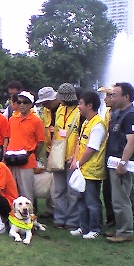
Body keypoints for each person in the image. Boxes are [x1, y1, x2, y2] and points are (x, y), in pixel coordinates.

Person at [105, 82, 134, 243]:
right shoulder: (119, 113)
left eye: (115, 94)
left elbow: (131, 142)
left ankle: (125, 232)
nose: (112, 97)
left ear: (126, 96)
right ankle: (121, 228)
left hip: (122, 163)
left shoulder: (131, 115)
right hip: (114, 161)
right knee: (118, 197)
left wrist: (123, 163)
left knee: (121, 199)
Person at [69, 91, 107, 240]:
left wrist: (78, 162)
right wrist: (74, 160)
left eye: (81, 103)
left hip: (92, 170)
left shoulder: (97, 124)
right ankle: (84, 227)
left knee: (92, 201)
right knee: (81, 199)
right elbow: (80, 142)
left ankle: (95, 229)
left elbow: (92, 148)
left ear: (89, 105)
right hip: (82, 169)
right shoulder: (86, 122)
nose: (79, 106)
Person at [50, 83, 81, 230]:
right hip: (58, 155)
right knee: (59, 189)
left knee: (72, 191)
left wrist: (75, 156)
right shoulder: (60, 110)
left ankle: (73, 220)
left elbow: (81, 136)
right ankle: (60, 217)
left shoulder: (79, 112)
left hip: (71, 157)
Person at [5, 91, 44, 202]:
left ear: (30, 104)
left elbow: (40, 142)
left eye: (25, 102)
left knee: (26, 192)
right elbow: (8, 138)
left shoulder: (36, 121)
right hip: (11, 159)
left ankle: (30, 216)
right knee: (12, 190)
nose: (21, 105)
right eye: (19, 102)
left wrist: (32, 155)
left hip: (26, 161)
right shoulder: (12, 119)